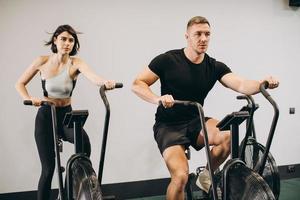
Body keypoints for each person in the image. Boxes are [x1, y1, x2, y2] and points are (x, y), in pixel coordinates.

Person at [131, 16, 279, 200]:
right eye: (198, 34)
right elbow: (137, 83)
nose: (203, 38)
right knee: (180, 177)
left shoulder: (214, 66)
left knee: (227, 136)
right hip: (168, 127)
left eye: (207, 34)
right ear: (187, 36)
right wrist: (157, 99)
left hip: (196, 122)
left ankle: (205, 176)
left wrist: (262, 83)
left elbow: (241, 84)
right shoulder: (167, 60)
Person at [15, 24, 116, 200]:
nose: (67, 43)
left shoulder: (76, 63)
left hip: (66, 114)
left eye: (71, 40)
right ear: (55, 40)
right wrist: (30, 98)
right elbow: (19, 83)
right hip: (47, 115)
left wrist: (105, 82)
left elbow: (93, 77)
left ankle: (67, 193)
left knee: (83, 147)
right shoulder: (42, 61)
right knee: (48, 169)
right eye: (63, 39)